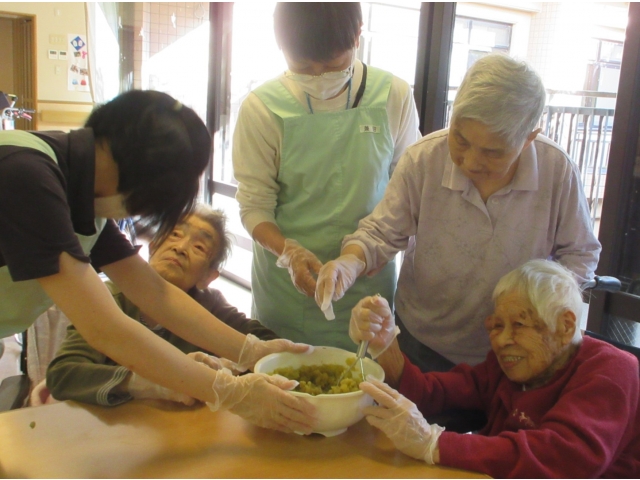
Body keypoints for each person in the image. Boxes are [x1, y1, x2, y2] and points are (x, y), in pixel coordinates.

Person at [0, 90, 316, 433]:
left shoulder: (81, 191)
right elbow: (105, 328)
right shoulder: (25, 176)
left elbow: (156, 293)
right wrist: (229, 392)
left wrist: (251, 351)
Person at [316, 53, 601, 370]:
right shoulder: (424, 159)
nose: (471, 162)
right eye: (461, 141)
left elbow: (580, 252)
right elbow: (381, 232)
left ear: (528, 138)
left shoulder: (556, 170)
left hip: (517, 348)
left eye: (493, 152)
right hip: (424, 339)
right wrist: (348, 263)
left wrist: (546, 309)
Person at [232, 2, 421, 350]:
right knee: (283, 372)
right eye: (303, 66)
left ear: (358, 34)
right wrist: (288, 252)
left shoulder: (393, 95)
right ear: (279, 42)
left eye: (334, 64)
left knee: (366, 374)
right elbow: (254, 205)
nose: (319, 76)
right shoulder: (261, 107)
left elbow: (407, 191)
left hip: (367, 285)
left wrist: (362, 256)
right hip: (287, 290)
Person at [350, 260, 640, 478]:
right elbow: (433, 393)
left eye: (519, 325)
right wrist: (385, 345)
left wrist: (433, 443)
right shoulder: (506, 368)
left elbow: (564, 457)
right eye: (497, 326)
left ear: (565, 326)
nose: (501, 341)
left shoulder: (612, 370)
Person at [45, 205, 280, 406]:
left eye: (199, 247)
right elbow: (64, 374)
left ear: (208, 277)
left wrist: (232, 364)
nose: (181, 248)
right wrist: (147, 383)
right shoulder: (108, 298)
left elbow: (263, 343)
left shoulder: (210, 305)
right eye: (175, 234)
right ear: (153, 246)